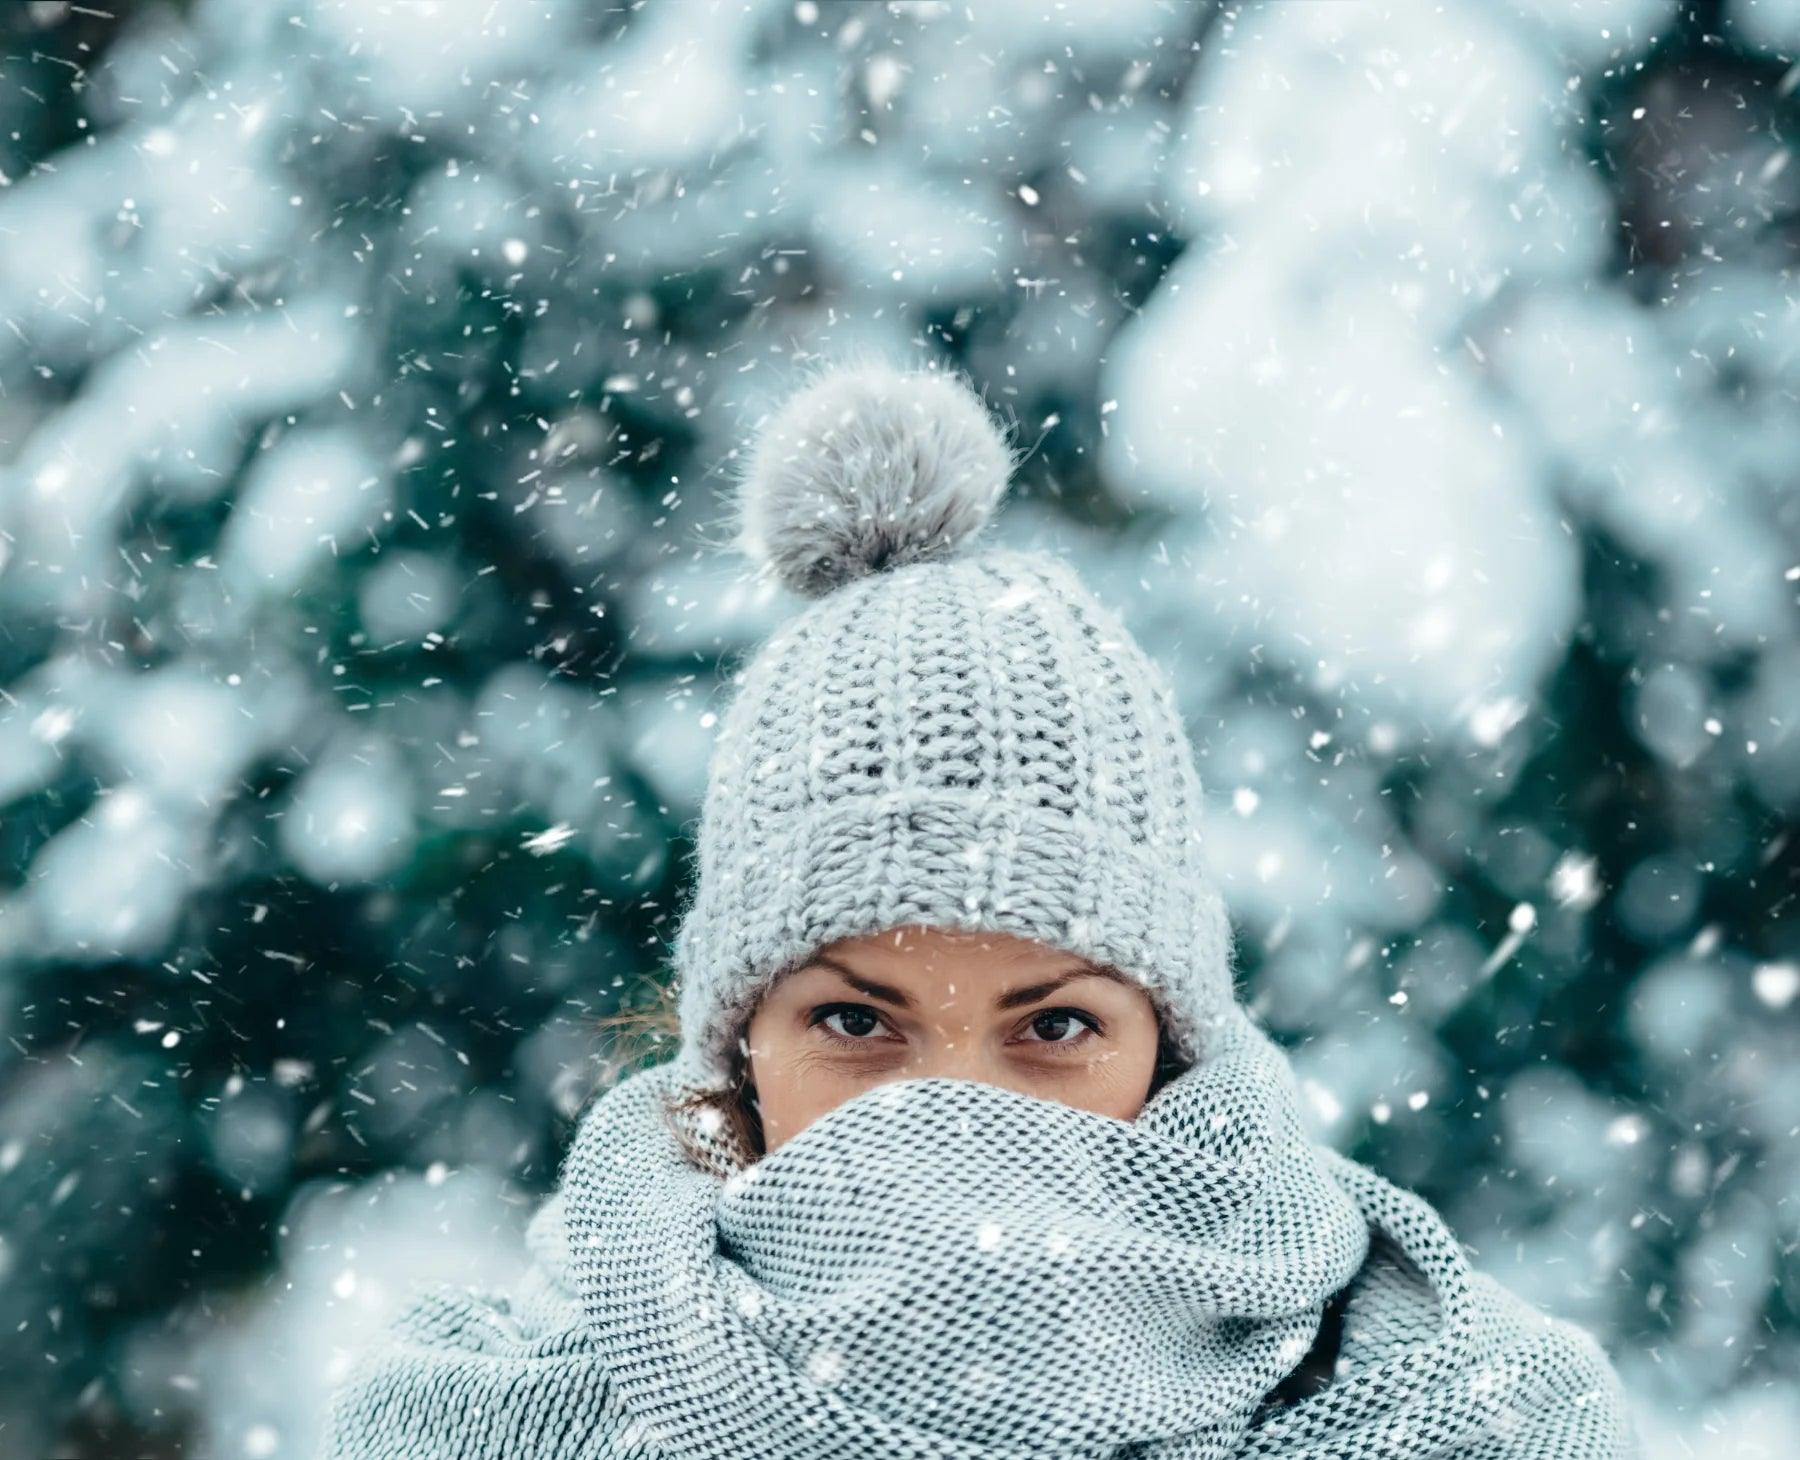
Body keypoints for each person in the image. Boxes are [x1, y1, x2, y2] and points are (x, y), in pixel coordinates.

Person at [321, 366, 1639, 1459]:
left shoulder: (1467, 1419)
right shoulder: (488, 1423)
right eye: (855, 1018)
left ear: (1169, 1050)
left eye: (1054, 1027)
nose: (957, 1104)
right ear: (738, 1053)